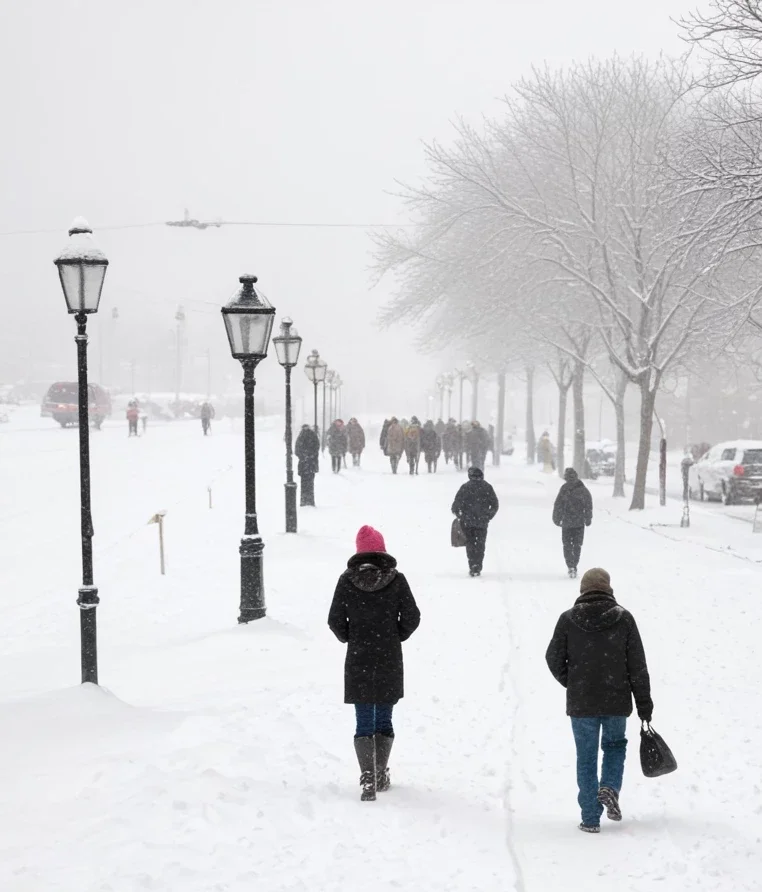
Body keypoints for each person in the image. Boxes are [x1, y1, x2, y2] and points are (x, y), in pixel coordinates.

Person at [545, 568, 653, 833]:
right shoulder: (623, 619)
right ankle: (609, 787)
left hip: (582, 703)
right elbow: (637, 665)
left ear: (583, 590)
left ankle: (590, 817)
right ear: (609, 589)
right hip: (616, 701)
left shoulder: (568, 619)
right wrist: (644, 704)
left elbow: (553, 658)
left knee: (586, 756)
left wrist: (572, 682)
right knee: (615, 747)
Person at [328, 526, 421, 802]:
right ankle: (380, 773)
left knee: (363, 716)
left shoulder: (347, 581)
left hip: (359, 658)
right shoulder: (396, 579)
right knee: (384, 715)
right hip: (389, 656)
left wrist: (352, 637)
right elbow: (413, 617)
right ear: (382, 549)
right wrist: (395, 635)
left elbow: (334, 620)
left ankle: (367, 777)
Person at [451, 467, 499, 576]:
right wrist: (488, 516)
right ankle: (478, 564)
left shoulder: (464, 488)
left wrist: (461, 516)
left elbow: (455, 507)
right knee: (480, 544)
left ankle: (472, 565)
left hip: (467, 523)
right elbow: (495, 505)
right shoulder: (487, 487)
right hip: (482, 522)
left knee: (470, 543)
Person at [553, 468, 593, 579]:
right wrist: (588, 518)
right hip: (579, 523)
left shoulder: (564, 489)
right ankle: (574, 565)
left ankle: (570, 565)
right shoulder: (583, 490)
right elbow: (588, 505)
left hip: (566, 522)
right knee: (577, 545)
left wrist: (556, 518)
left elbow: (558, 505)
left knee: (567, 545)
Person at [295, 424, 320, 506]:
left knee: (306, 482)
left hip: (306, 463)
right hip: (309, 463)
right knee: (308, 482)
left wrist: (304, 456)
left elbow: (297, 450)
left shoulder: (302, 437)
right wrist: (308, 456)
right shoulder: (311, 436)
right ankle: (308, 500)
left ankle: (305, 500)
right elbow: (316, 448)